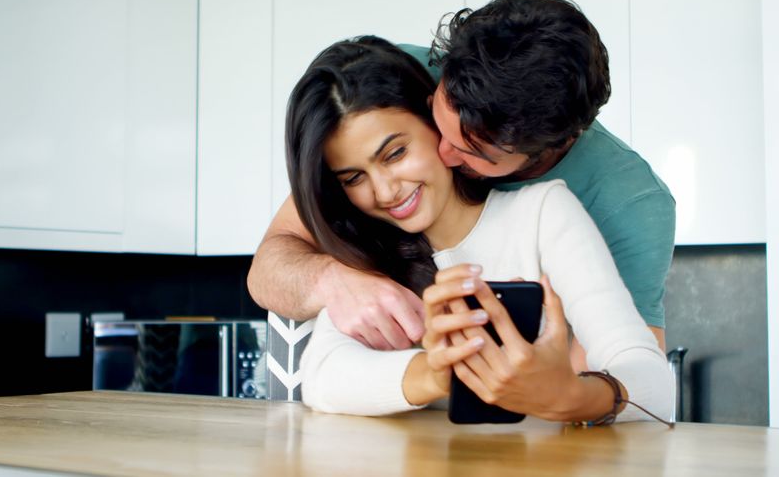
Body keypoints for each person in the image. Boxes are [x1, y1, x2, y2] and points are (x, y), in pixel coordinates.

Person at [248, 0, 675, 352]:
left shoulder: (632, 204)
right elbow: (269, 266)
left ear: (552, 147)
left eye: (473, 152)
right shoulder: (400, 80)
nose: (445, 154)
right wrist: (333, 282)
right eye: (438, 118)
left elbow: (627, 374)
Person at [286, 37, 673, 422]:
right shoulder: (362, 251)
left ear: (433, 121)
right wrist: (439, 373)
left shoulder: (543, 214)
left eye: (395, 153)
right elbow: (322, 378)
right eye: (354, 178)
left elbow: (653, 385)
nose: (385, 191)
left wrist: (573, 395)